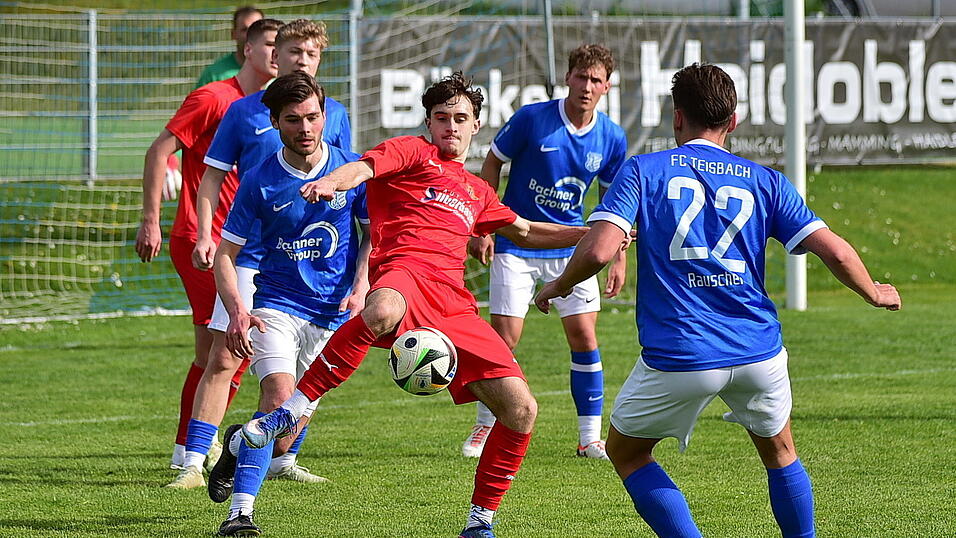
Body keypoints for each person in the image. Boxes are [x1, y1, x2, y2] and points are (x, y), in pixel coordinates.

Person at [534, 63, 902, 538]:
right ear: (733, 120)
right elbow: (832, 247)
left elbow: (601, 248)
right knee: (780, 451)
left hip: (681, 354)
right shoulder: (765, 180)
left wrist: (557, 286)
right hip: (758, 351)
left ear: (677, 117)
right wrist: (873, 291)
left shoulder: (644, 170)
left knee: (626, 452)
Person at [239, 72, 596, 538]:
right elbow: (364, 168)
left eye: (460, 118)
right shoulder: (411, 153)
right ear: (429, 122)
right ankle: (289, 411)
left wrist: (594, 233)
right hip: (403, 276)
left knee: (522, 410)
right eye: (442, 118)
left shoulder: (478, 191)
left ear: (476, 125)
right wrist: (334, 182)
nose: (451, 126)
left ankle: (480, 522)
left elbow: (525, 231)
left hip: (454, 304)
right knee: (382, 308)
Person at [167, 18, 352, 490]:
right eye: (291, 51)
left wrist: (355, 275)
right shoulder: (242, 110)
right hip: (249, 254)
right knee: (226, 355)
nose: (300, 60)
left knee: (311, 375)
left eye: (311, 54)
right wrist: (207, 233)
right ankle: (191, 461)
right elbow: (211, 176)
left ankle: (280, 459)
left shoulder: (339, 115)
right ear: (275, 53)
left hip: (308, 263)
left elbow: (347, 187)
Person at [206, 73, 370, 536]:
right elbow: (226, 253)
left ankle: (238, 444)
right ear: (275, 123)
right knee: (278, 397)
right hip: (276, 305)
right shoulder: (259, 180)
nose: (305, 128)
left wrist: (360, 286)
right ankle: (240, 514)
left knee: (285, 433)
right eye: (293, 120)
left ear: (325, 116)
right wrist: (238, 311)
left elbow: (372, 235)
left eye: (313, 117)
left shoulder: (349, 170)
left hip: (333, 315)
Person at [464, 44, 628, 460]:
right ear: (567, 78)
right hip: (516, 243)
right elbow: (492, 164)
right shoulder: (532, 119)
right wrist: (484, 224)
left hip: (571, 246)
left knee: (584, 335)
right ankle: (485, 426)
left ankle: (590, 437)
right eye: (580, 77)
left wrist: (618, 256)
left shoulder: (611, 137)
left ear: (607, 87)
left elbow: (613, 203)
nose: (586, 86)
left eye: (595, 80)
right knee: (505, 338)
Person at [134, 17, 279, 477]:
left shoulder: (271, 110)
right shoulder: (215, 98)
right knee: (227, 349)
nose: (280, 54)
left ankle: (192, 447)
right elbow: (160, 151)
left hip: (241, 246)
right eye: (272, 44)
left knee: (220, 352)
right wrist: (152, 221)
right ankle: (193, 449)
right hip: (204, 242)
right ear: (247, 49)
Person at [196, 6, 265, 88]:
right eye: (244, 30)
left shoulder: (274, 74)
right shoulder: (214, 75)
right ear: (233, 34)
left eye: (256, 29)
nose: (250, 34)